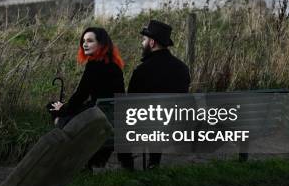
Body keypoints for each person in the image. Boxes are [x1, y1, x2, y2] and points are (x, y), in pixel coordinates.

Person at [49, 27, 125, 168]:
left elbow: (80, 94)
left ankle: (70, 153)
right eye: (83, 41)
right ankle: (95, 160)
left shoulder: (94, 65)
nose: (84, 44)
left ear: (101, 44)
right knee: (63, 110)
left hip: (97, 115)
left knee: (53, 109)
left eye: (90, 41)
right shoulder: (115, 65)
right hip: (114, 116)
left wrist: (62, 109)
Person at [125, 20, 190, 170]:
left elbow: (130, 104)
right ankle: (154, 162)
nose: (142, 43)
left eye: (144, 40)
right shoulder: (182, 68)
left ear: (152, 43)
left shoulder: (142, 71)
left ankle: (127, 165)